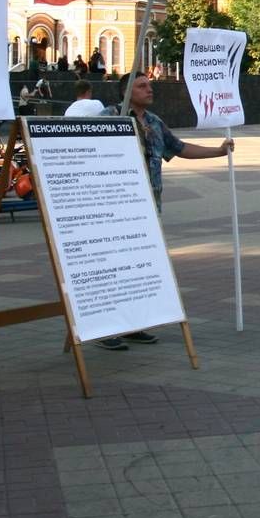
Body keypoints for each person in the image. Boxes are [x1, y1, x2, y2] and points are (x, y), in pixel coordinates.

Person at [104, 73, 234, 349]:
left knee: (139, 267)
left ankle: (132, 324)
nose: (150, 89)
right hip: (117, 207)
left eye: (150, 85)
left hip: (149, 206)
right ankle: (106, 328)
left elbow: (180, 148)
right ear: (126, 91)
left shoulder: (153, 121)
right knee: (115, 268)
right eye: (142, 86)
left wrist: (218, 152)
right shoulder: (109, 117)